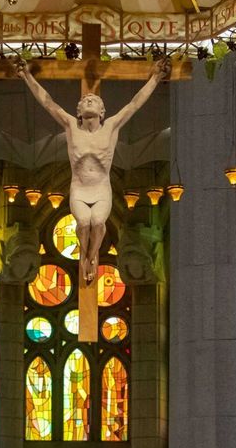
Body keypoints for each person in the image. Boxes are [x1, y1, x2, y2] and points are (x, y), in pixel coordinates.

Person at [15, 56, 170, 336]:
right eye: (85, 101)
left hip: (100, 189)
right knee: (83, 223)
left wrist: (155, 79)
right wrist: (27, 76)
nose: (89, 101)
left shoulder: (111, 127)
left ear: (102, 110)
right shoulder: (70, 127)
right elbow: (48, 102)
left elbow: (134, 104)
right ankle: (86, 257)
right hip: (79, 187)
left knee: (97, 223)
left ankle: (92, 257)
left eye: (93, 101)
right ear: (78, 110)